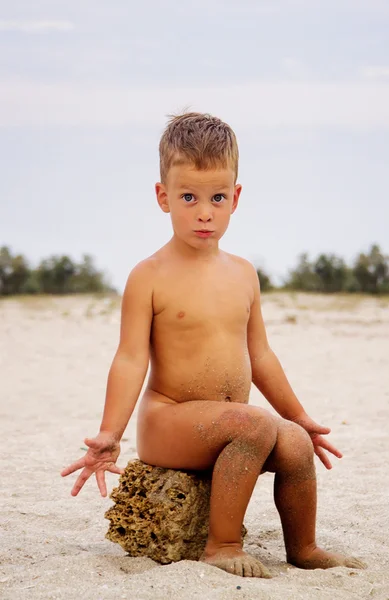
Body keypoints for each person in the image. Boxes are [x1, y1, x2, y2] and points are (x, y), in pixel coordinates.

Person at [61, 112, 365, 578]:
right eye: (189, 197)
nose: (205, 211)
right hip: (170, 421)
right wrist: (108, 435)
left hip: (231, 425)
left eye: (217, 197)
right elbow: (130, 359)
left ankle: (303, 548)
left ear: (235, 198)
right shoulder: (150, 275)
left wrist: (300, 416)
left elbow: (261, 355)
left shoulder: (243, 273)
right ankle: (222, 545)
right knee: (254, 426)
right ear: (163, 197)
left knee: (295, 443)